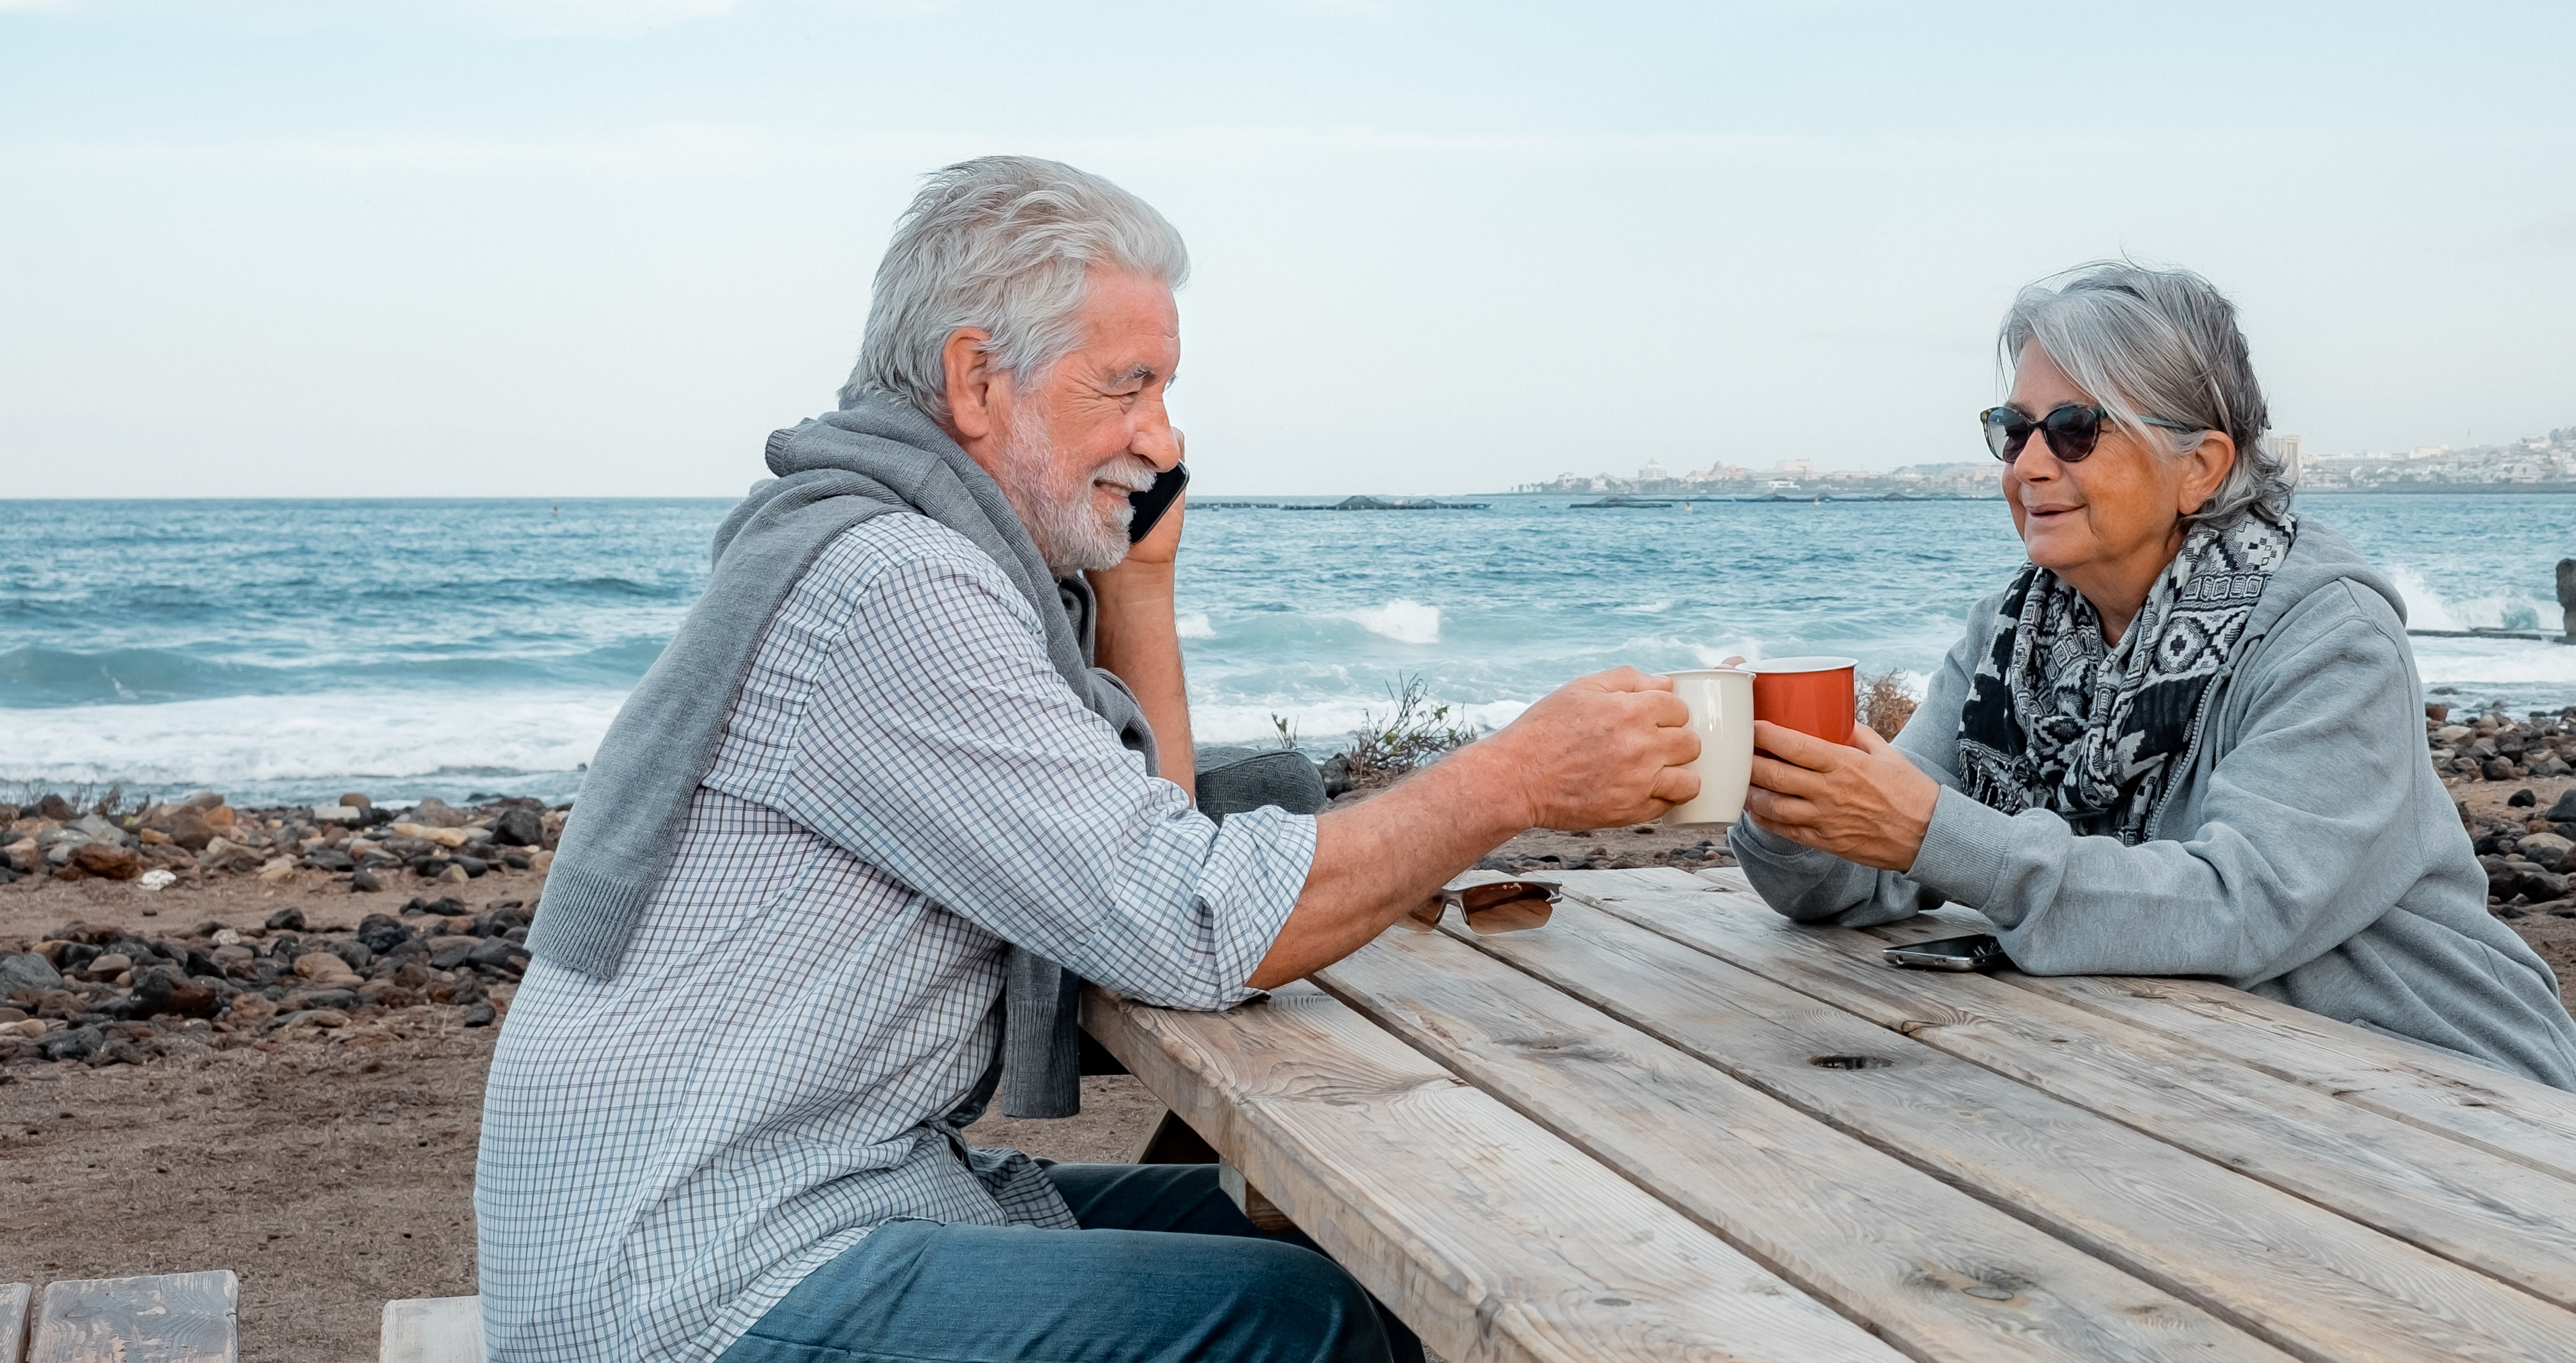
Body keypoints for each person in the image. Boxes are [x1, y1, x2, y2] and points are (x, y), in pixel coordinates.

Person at [474, 156, 1702, 1363]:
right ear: (976, 379)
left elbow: (1140, 852)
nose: (1164, 440)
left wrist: (1143, 583)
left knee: (1366, 1254)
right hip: (696, 1278)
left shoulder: (904, 551)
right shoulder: (897, 587)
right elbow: (1198, 924)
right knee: (1305, 1319)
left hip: (787, 1191)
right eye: (1131, 387)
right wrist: (1514, 781)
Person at [1733, 262, 2576, 1096]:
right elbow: (1853, 880)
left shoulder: (2330, 636)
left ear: (2202, 466)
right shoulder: (2012, 637)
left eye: (2075, 429)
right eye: (2014, 428)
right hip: (2201, 1080)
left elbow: (2239, 908)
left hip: (2454, 1091)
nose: (2029, 464)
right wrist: (1785, 795)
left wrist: (1933, 833)